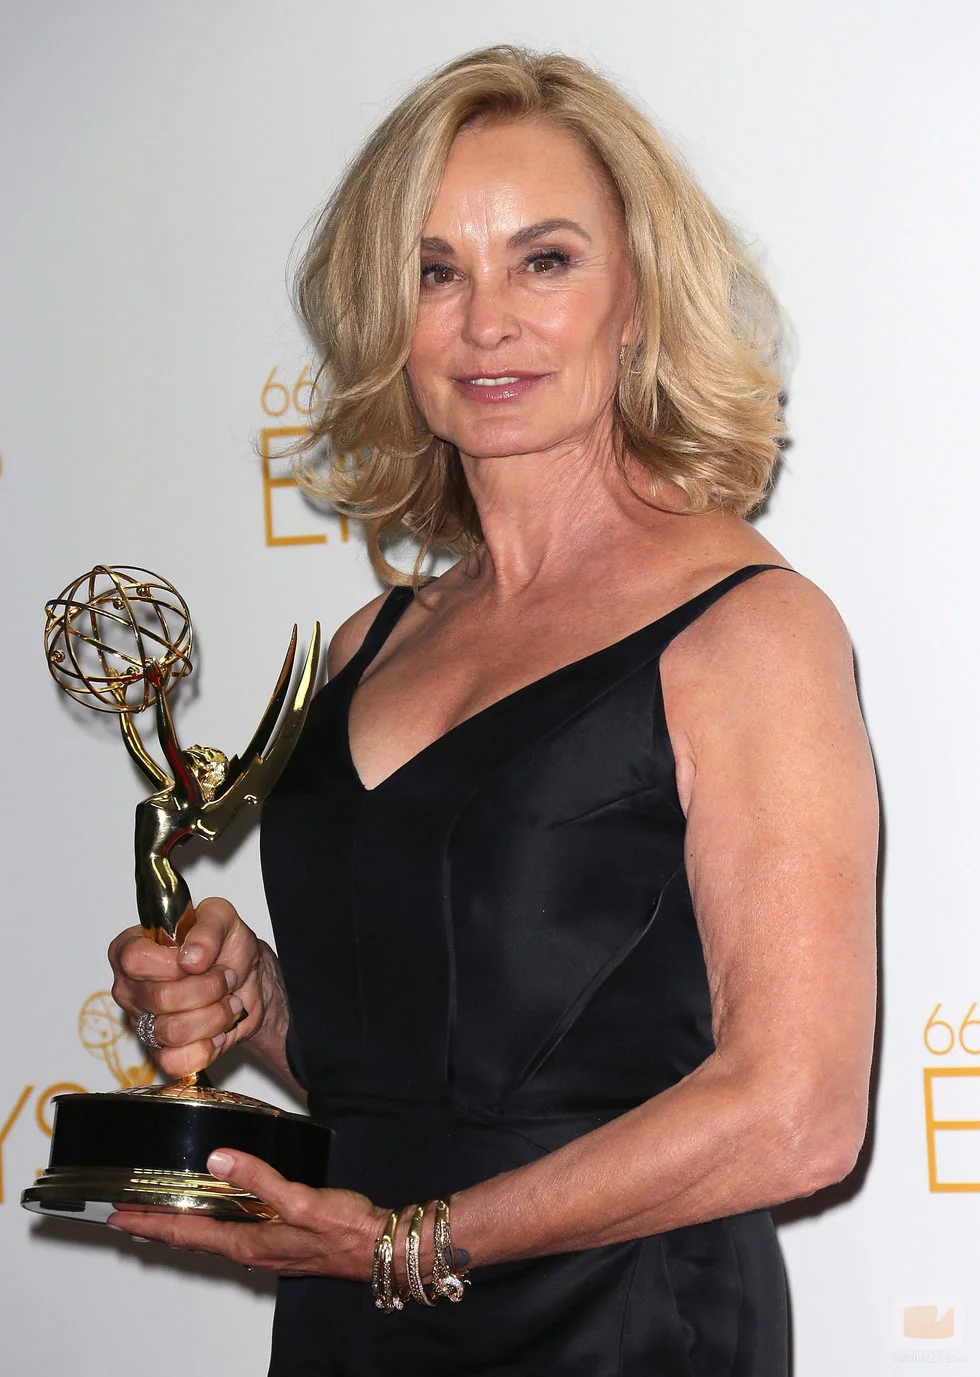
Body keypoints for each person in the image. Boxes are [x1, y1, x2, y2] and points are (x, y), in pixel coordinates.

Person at [107, 45, 878, 1377]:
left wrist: (409, 1245)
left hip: (620, 1328)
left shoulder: (749, 630)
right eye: (435, 271)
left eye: (545, 260)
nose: (486, 323)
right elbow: (436, 1068)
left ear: (634, 298)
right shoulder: (368, 644)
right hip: (354, 1317)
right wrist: (257, 1005)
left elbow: (798, 1115)